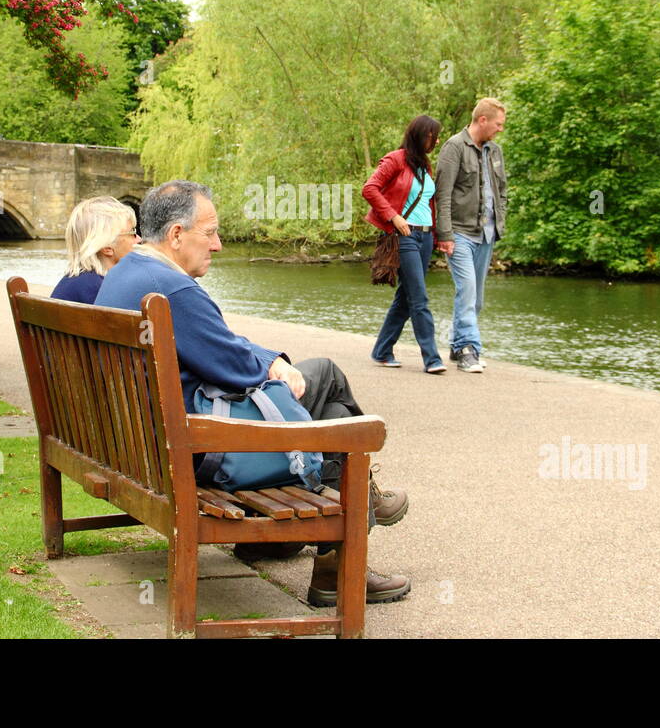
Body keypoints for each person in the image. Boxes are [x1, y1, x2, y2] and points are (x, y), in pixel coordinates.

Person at [95, 180, 411, 607]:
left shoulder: (128, 272)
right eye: (210, 233)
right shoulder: (173, 290)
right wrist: (273, 364)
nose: (218, 245)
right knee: (328, 383)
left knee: (331, 411)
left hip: (139, 446)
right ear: (176, 235)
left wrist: (270, 360)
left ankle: (283, 542)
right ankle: (344, 552)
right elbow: (236, 369)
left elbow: (219, 347)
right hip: (193, 448)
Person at [362, 114, 447, 374]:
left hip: (425, 237)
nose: (437, 141)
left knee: (404, 298)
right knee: (419, 298)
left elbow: (428, 203)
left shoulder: (425, 165)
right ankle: (432, 359)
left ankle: (382, 351)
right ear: (422, 135)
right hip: (404, 235)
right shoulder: (396, 159)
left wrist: (435, 237)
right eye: (434, 136)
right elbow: (370, 188)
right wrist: (393, 216)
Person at [434, 97, 508, 374]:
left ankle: (457, 346)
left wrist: (501, 218)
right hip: (459, 233)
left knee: (476, 298)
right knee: (466, 290)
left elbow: (502, 191)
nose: (500, 129)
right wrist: (445, 234)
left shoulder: (495, 151)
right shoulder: (454, 147)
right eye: (498, 124)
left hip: (487, 233)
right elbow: (442, 194)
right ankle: (468, 349)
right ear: (482, 120)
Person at [51, 197, 140, 305]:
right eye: (132, 233)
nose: (139, 239)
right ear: (107, 248)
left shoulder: (75, 281)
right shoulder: (102, 291)